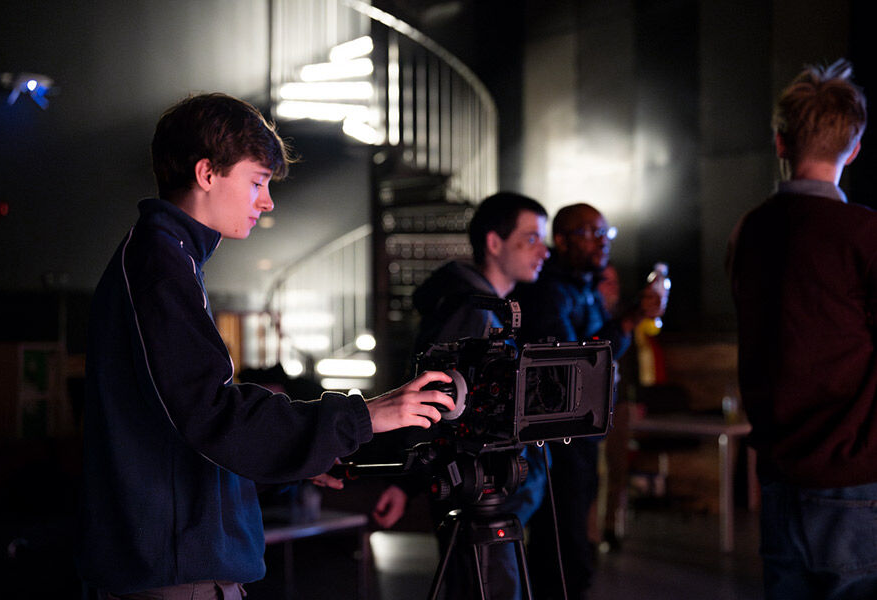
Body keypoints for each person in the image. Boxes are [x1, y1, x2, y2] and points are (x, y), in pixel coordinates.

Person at [75, 92, 454, 599]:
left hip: (177, 563)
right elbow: (214, 417)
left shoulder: (170, 258)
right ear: (207, 173)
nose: (268, 200)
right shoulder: (160, 267)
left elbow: (187, 431)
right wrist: (364, 416)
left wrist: (302, 457)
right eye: (257, 181)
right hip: (175, 574)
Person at [728, 59, 877, 599]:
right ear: (854, 148)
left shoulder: (749, 231)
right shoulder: (863, 232)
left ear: (779, 143)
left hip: (778, 468)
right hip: (853, 472)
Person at [370, 191, 551, 599]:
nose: (544, 250)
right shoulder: (472, 314)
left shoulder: (482, 308)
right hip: (479, 494)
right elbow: (437, 405)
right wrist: (409, 482)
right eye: (531, 238)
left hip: (483, 491)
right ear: (494, 242)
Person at [514, 203, 664, 600]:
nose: (602, 242)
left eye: (605, 233)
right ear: (560, 240)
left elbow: (604, 348)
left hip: (583, 436)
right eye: (590, 233)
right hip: (558, 439)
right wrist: (628, 320)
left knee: (571, 540)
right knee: (561, 550)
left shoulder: (585, 285)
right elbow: (578, 362)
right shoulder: (548, 290)